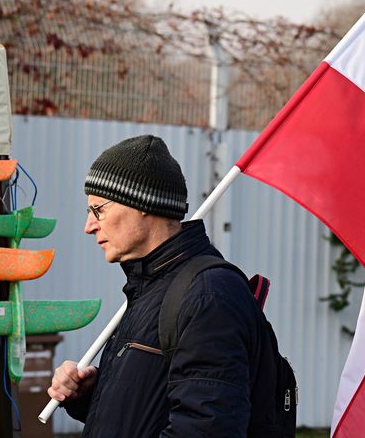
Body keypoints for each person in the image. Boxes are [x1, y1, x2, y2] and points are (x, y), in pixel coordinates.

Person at [48, 135, 265, 437]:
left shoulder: (207, 295)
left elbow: (206, 428)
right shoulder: (151, 288)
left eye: (99, 210)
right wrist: (90, 394)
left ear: (142, 203)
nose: (89, 226)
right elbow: (151, 411)